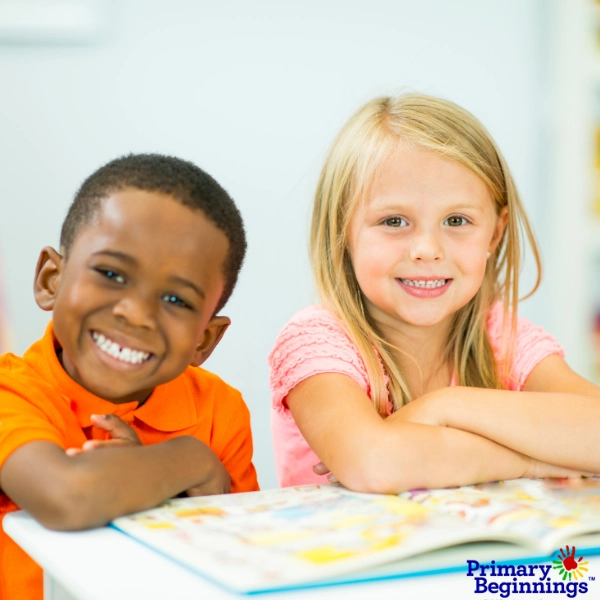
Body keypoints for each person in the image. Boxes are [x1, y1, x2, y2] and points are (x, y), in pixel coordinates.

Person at [269, 94, 600, 492]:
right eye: (394, 221)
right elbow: (373, 464)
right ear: (342, 232)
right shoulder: (315, 342)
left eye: (456, 220)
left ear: (494, 232)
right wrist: (532, 460)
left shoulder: (503, 338)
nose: (427, 249)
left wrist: (445, 406)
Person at [0, 154, 259, 600]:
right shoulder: (12, 391)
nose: (136, 314)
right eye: (111, 274)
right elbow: (68, 496)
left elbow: (245, 554)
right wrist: (191, 459)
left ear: (204, 341)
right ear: (51, 280)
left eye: (176, 300)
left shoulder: (219, 411)